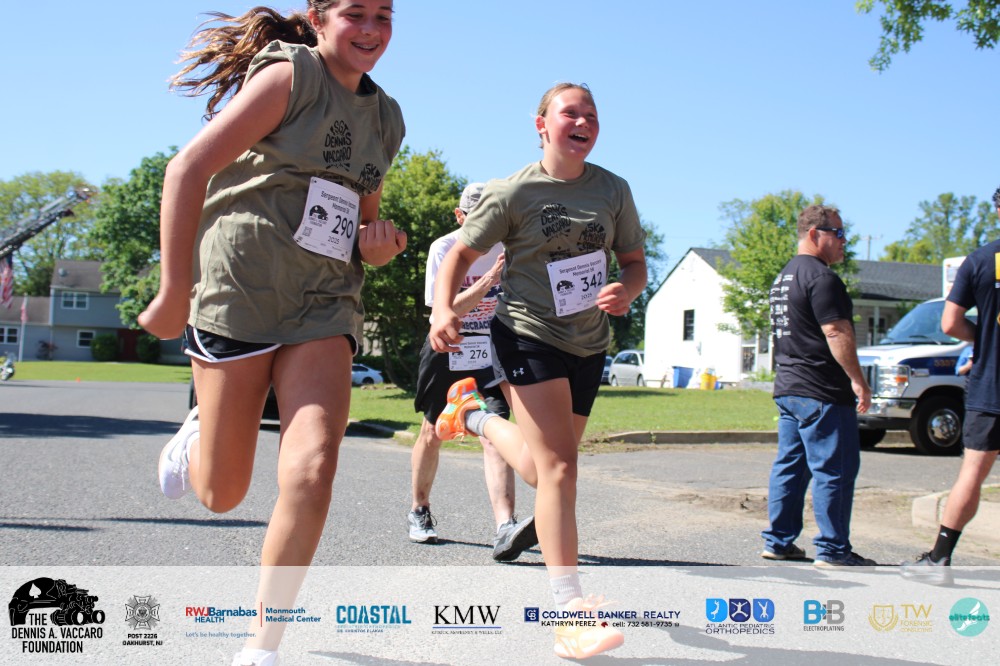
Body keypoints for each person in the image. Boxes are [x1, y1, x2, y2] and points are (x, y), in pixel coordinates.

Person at [139, 3, 405, 665]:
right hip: (243, 288)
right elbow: (186, 169)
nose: (370, 28)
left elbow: (363, 221)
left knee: (313, 470)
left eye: (384, 14)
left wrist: (378, 246)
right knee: (221, 495)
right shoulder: (291, 76)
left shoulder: (387, 117)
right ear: (318, 17)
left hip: (324, 304)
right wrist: (174, 289)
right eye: (355, 13)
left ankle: (263, 645)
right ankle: (201, 430)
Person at [428, 83, 647, 660]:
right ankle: (569, 612)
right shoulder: (514, 191)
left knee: (542, 468)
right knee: (560, 470)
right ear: (542, 124)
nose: (583, 122)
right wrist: (443, 309)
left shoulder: (614, 190)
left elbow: (634, 262)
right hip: (527, 334)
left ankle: (471, 415)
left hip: (588, 343)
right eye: (570, 112)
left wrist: (627, 289)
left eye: (591, 114)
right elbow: (459, 253)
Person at [408, 182, 538, 561]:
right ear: (459, 216)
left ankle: (505, 526)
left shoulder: (509, 248)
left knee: (494, 433)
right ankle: (419, 509)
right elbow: (444, 311)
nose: (486, 226)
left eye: (492, 217)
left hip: (492, 348)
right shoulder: (445, 249)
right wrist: (488, 281)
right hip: (449, 343)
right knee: (433, 431)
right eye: (475, 217)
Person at [760, 204, 876, 568]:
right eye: (838, 233)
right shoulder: (823, 278)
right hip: (822, 391)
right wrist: (858, 380)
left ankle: (778, 541)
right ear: (814, 234)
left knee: (791, 466)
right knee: (834, 469)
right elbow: (836, 331)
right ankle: (833, 549)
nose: (844, 241)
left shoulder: (783, 278)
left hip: (789, 388)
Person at [902, 185, 1000, 586]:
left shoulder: (980, 260)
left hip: (992, 387)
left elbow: (949, 323)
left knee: (972, 475)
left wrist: (984, 340)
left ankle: (939, 559)